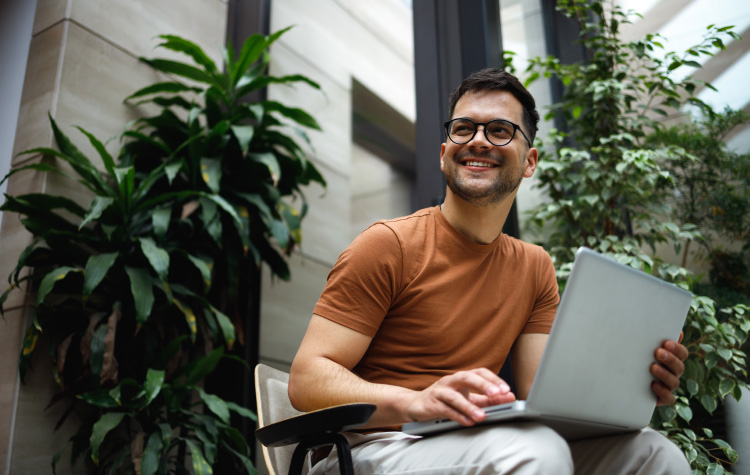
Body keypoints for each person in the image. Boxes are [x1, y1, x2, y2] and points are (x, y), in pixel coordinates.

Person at [288, 68, 691, 474]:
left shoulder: (535, 266)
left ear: (530, 161)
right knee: (533, 452)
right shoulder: (388, 244)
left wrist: (633, 388)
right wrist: (414, 401)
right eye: (464, 128)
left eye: (500, 130)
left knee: (656, 454)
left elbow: (541, 397)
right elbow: (306, 379)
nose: (478, 140)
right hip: (369, 446)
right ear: (445, 153)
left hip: (471, 441)